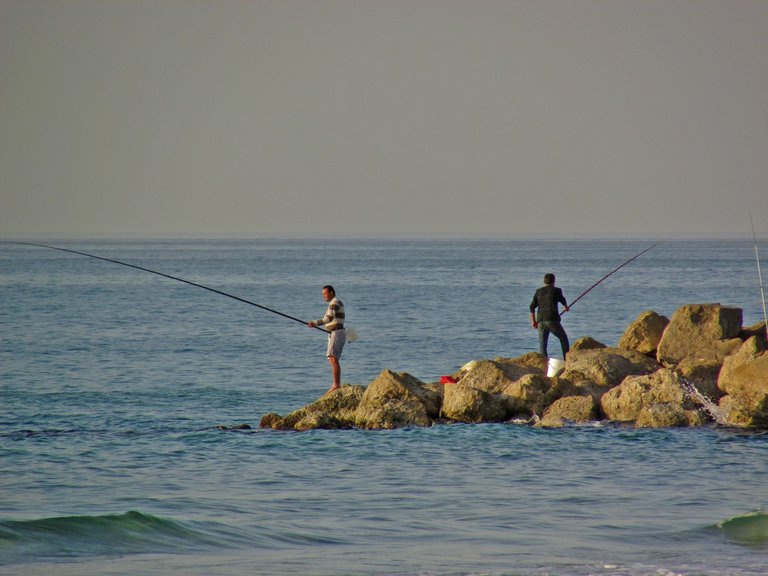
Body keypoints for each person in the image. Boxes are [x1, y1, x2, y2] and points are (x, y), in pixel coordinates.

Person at [307, 285, 346, 394]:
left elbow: (327, 319)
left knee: (333, 358)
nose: (323, 296)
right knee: (332, 358)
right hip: (336, 332)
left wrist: (314, 323)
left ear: (331, 292)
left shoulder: (334, 303)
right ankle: (336, 383)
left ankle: (336, 384)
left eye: (325, 293)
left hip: (337, 333)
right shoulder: (335, 302)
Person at [530, 273, 570, 359]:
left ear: (544, 281)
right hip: (552, 319)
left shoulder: (538, 291)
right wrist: (566, 307)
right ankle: (567, 360)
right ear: (554, 281)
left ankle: (544, 363)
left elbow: (532, 306)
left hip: (540, 320)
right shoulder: (557, 290)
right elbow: (563, 300)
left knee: (542, 344)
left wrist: (533, 321)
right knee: (563, 338)